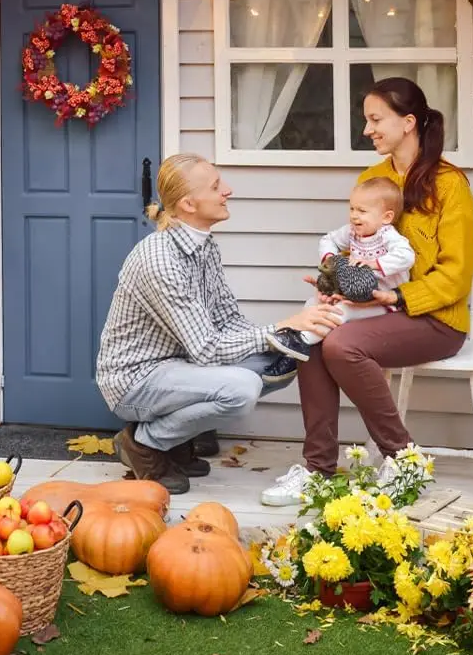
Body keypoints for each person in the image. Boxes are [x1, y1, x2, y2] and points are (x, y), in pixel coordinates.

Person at [261, 77, 473, 506]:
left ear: (409, 122)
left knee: (341, 347)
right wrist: (330, 283)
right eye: (367, 120)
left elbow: (457, 275)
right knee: (315, 336)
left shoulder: (450, 185)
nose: (368, 130)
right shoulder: (373, 178)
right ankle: (317, 470)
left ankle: (402, 456)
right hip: (373, 313)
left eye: (376, 119)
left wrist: (395, 298)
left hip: (434, 318)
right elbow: (352, 246)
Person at [96, 153, 343, 494]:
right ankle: (145, 443)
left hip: (181, 365)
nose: (228, 190)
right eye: (215, 186)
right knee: (241, 390)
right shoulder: (160, 259)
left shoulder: (205, 246)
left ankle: (174, 441)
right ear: (188, 203)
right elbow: (208, 349)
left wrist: (295, 332)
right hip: (137, 378)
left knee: (281, 362)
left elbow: (228, 319)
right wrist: (279, 328)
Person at [267, 176, 416, 361]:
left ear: (387, 217)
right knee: (314, 303)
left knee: (342, 310)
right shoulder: (352, 231)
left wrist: (375, 264)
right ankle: (292, 337)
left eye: (362, 211)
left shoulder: (388, 236)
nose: (354, 215)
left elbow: (407, 256)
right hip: (353, 292)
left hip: (383, 302)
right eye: (352, 208)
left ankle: (302, 341)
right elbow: (328, 240)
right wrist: (332, 260)